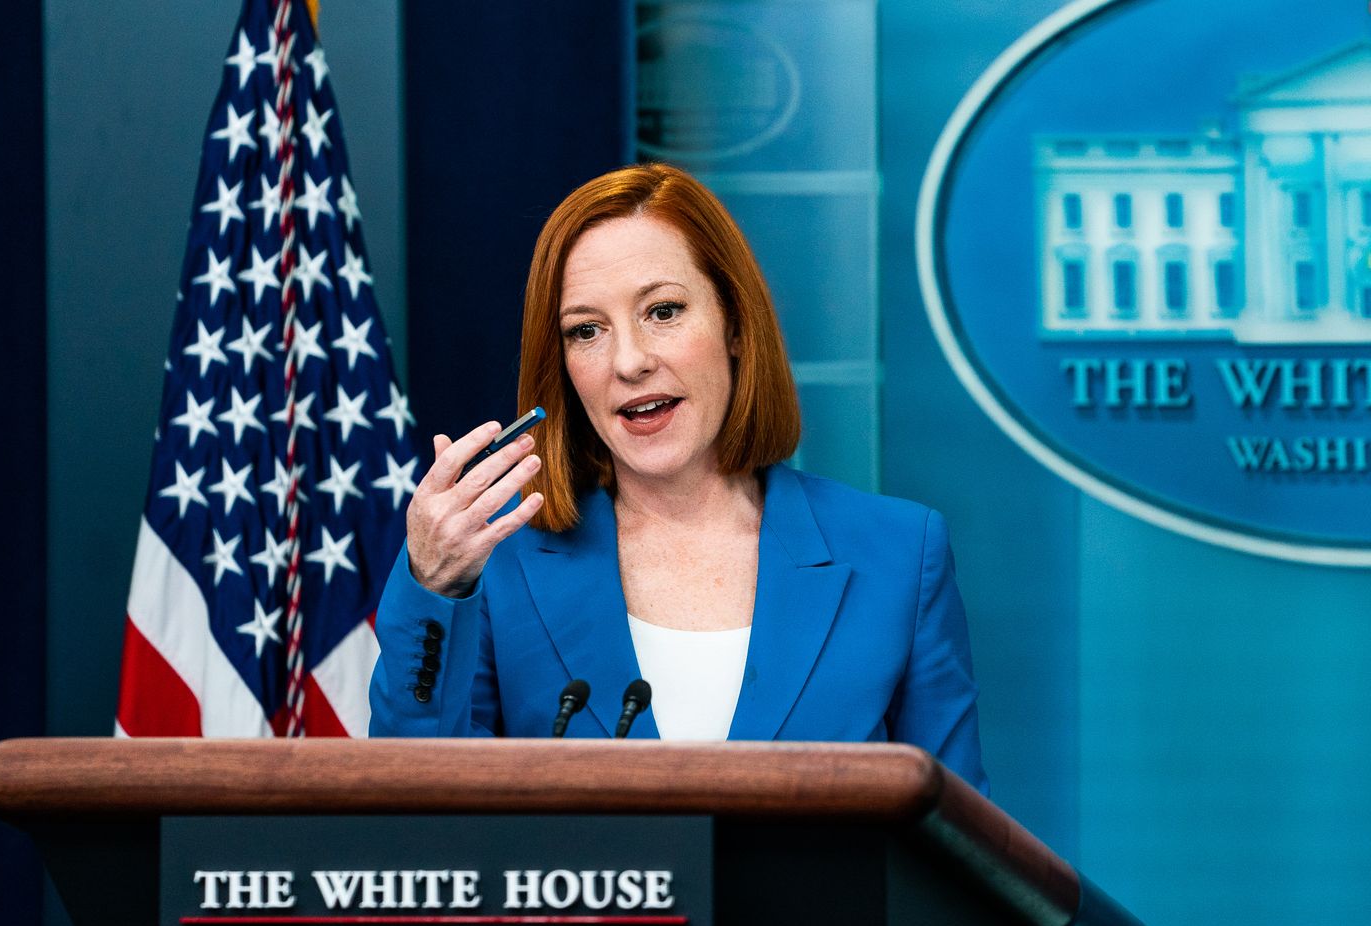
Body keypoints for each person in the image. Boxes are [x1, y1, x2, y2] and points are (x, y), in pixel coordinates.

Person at [367, 163, 988, 792]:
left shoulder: (900, 555)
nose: (630, 362)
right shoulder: (499, 566)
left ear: (737, 325)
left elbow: (960, 855)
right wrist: (435, 584)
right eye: (586, 331)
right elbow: (418, 815)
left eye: (663, 311)